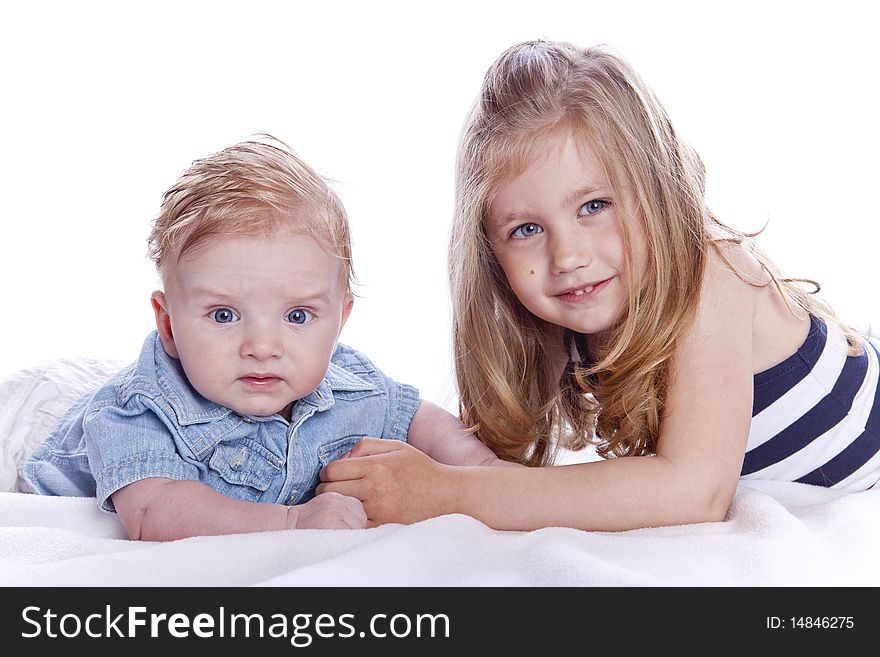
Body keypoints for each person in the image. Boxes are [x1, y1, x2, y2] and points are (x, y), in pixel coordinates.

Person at [318, 40, 880, 531]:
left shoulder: (710, 270)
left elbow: (692, 492)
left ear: (657, 189)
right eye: (527, 229)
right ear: (490, 250)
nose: (567, 256)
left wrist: (444, 493)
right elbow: (489, 460)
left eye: (594, 206)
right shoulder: (564, 316)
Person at [22, 137, 510, 540]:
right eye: (224, 314)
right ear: (169, 324)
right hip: (45, 437)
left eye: (297, 316)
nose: (262, 345)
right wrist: (291, 521)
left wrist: (482, 472)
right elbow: (154, 512)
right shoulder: (139, 411)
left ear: (339, 321)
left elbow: (419, 418)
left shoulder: (348, 385)